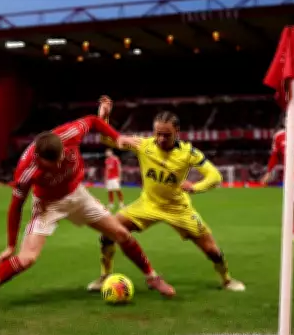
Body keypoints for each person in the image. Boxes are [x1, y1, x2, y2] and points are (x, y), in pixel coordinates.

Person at [0, 115, 176, 314]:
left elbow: (93, 120)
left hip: (78, 194)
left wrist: (117, 137)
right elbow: (16, 206)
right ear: (38, 158)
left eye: (60, 159)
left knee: (121, 233)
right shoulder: (26, 171)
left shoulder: (69, 134)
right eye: (51, 165)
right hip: (48, 204)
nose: (58, 166)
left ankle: (152, 277)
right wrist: (10, 244)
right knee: (27, 258)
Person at [87, 97, 246, 293]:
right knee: (108, 232)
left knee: (212, 250)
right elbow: (108, 139)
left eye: (167, 135)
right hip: (147, 204)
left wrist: (195, 187)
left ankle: (227, 280)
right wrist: (103, 119)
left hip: (178, 208)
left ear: (177, 133)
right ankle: (105, 276)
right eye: (158, 134)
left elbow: (215, 176)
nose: (161, 139)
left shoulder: (189, 153)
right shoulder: (143, 145)